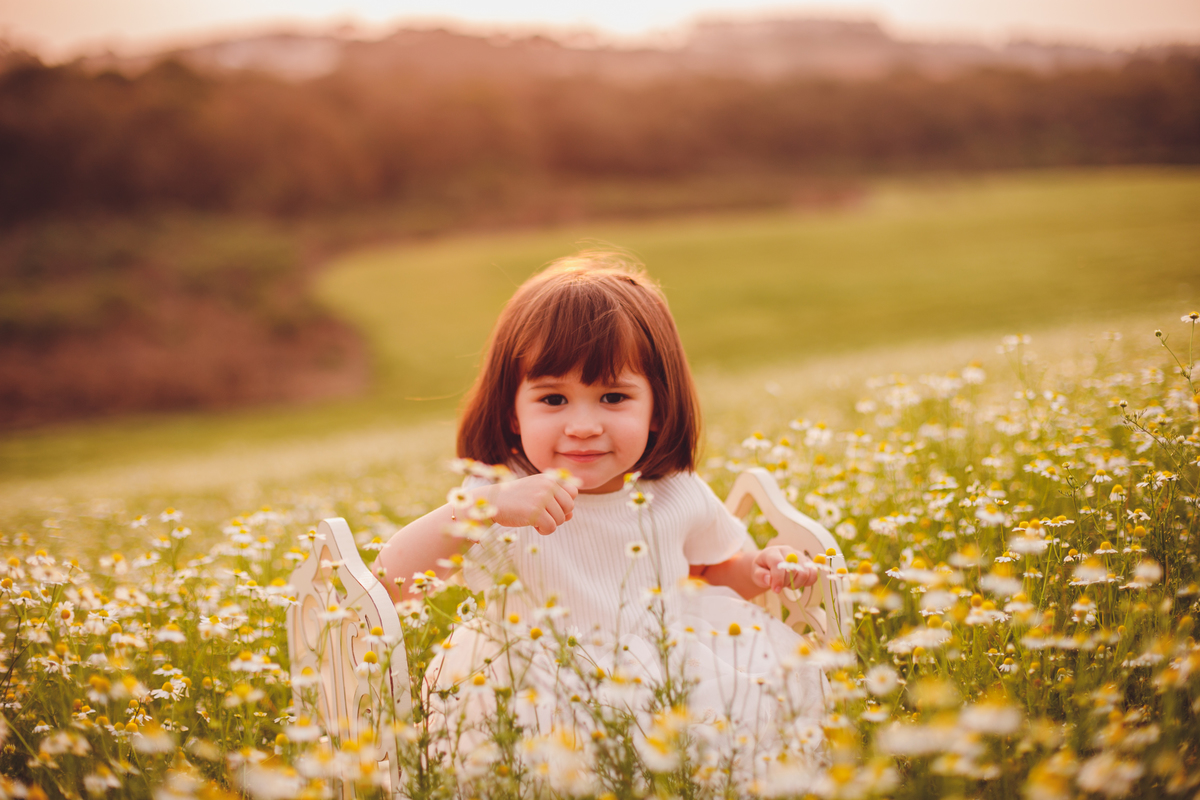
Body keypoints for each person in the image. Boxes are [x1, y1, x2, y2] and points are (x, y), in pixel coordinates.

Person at [374, 250, 827, 751]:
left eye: (613, 398)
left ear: (657, 407)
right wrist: (480, 510)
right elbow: (391, 582)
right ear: (511, 414)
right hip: (540, 686)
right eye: (552, 399)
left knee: (729, 737)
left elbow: (711, 569)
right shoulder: (500, 499)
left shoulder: (672, 489)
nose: (584, 425)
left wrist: (758, 570)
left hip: (672, 665)